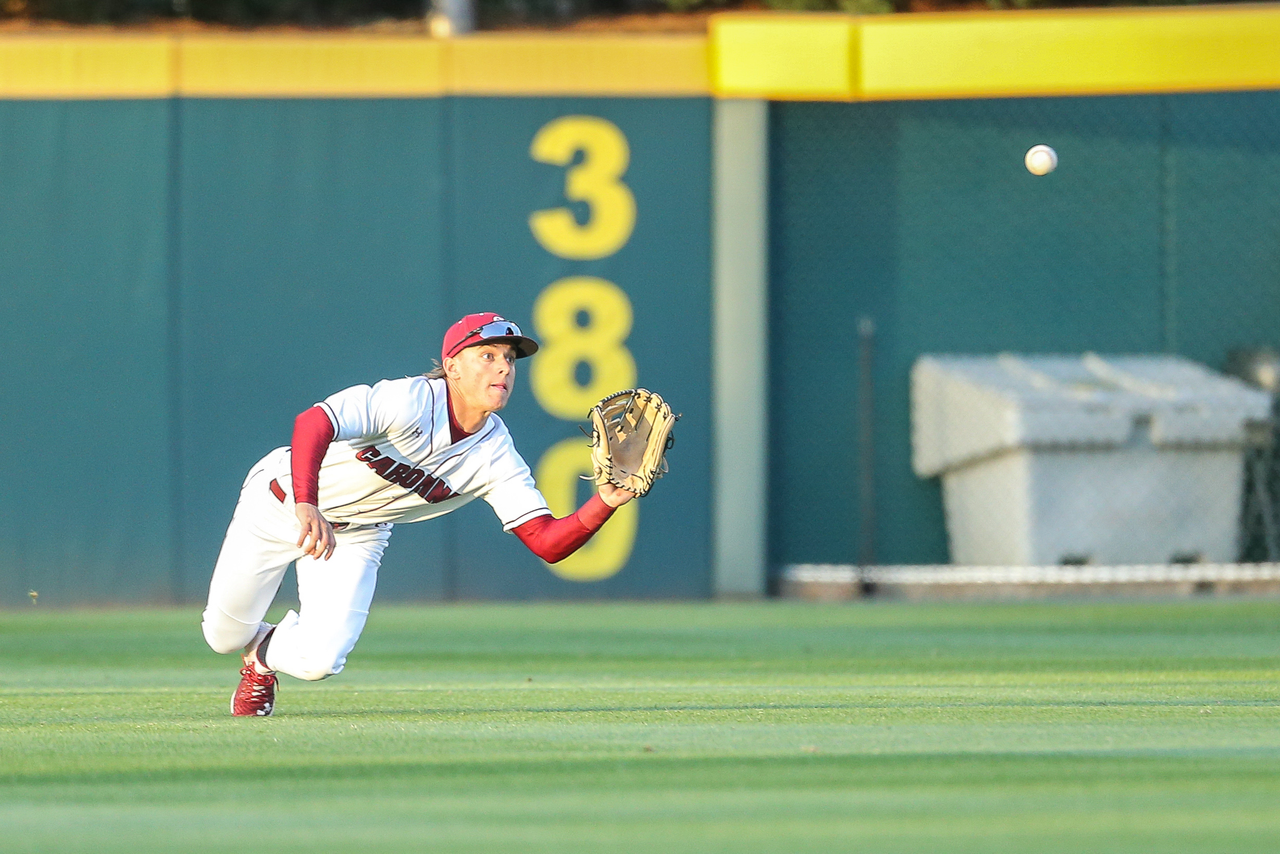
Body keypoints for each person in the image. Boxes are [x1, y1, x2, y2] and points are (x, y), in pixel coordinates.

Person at [200, 312, 634, 716]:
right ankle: (245, 644)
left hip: (356, 533)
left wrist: (605, 502)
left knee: (320, 660)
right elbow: (314, 422)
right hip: (280, 502)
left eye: (509, 359)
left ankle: (262, 657)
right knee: (222, 637)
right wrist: (306, 501)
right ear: (452, 366)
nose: (503, 368)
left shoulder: (497, 456)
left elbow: (547, 542)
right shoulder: (407, 400)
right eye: (487, 355)